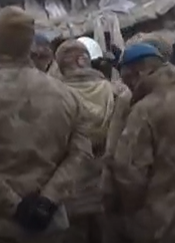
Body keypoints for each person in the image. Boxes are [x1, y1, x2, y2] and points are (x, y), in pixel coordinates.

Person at [0, 8, 92, 242]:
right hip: (50, 227)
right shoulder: (66, 96)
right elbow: (81, 154)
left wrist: (15, 206)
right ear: (30, 45)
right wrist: (47, 201)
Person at [104, 43, 175, 242]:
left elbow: (129, 173)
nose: (128, 87)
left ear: (137, 74)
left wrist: (128, 211)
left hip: (160, 224)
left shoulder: (145, 109)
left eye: (127, 79)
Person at [55, 40, 132, 243]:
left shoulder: (53, 96)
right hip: (106, 190)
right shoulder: (117, 93)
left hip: (68, 193)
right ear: (83, 60)